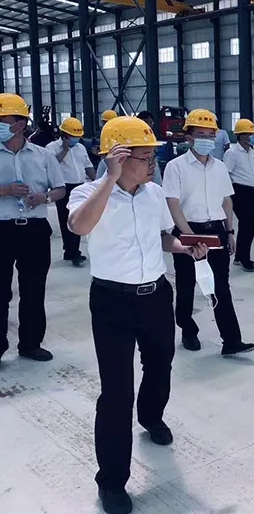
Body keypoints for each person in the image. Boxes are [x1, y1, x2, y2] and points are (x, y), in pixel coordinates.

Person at [67, 116, 208, 514]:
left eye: (153, 158)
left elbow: (162, 235)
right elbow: (79, 227)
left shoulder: (154, 194)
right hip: (111, 302)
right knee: (116, 392)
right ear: (118, 157)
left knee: (161, 362)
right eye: (145, 158)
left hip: (155, 296)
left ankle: (151, 416)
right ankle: (112, 481)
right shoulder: (88, 193)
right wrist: (109, 180)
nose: (152, 165)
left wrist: (183, 247)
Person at [163, 109, 254, 355]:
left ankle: (231, 341)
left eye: (210, 135)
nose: (206, 139)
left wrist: (230, 231)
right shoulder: (175, 167)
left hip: (216, 231)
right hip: (188, 230)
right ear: (189, 137)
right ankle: (188, 330)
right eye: (200, 135)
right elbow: (173, 204)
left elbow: (226, 201)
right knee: (186, 285)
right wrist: (190, 238)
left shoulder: (220, 167)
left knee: (221, 286)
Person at [0, 93, 66, 365]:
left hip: (35, 230)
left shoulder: (43, 156)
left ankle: (30, 344)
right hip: (1, 230)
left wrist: (44, 197)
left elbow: (60, 189)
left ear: (20, 124)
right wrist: (5, 190)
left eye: (3, 120)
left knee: (34, 289)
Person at [46, 116, 96, 267]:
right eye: (72, 136)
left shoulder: (81, 148)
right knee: (65, 220)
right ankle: (72, 251)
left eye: (77, 136)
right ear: (64, 135)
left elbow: (88, 166)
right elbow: (51, 165)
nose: (75, 139)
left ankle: (72, 251)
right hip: (62, 188)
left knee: (78, 218)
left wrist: (97, 181)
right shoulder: (51, 147)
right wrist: (65, 150)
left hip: (79, 186)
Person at [224, 118, 254, 269]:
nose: (252, 137)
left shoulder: (251, 151)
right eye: (249, 134)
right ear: (241, 135)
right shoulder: (232, 153)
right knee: (247, 227)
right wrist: (227, 196)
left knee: (246, 225)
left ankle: (239, 256)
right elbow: (226, 174)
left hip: (251, 191)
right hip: (239, 191)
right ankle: (245, 259)